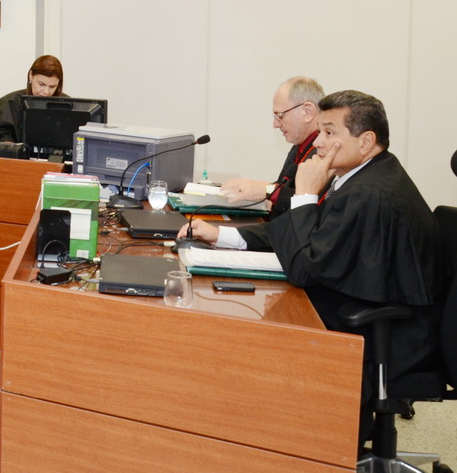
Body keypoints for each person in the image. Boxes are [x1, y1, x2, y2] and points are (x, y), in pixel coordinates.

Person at [180, 90, 446, 440]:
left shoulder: (370, 193)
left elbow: (305, 268)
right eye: (320, 131)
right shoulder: (362, 174)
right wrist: (223, 236)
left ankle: (290, 445)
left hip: (393, 334)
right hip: (368, 308)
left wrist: (305, 195)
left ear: (366, 141)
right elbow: (308, 236)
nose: (318, 142)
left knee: (255, 334)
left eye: (329, 132)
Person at [219, 76, 324, 218]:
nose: (275, 124)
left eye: (280, 115)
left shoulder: (323, 152)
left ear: (308, 111)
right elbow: (284, 188)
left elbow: (311, 204)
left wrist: (266, 190)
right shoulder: (299, 146)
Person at [0, 55, 67, 142]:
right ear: (31, 75)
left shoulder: (68, 107)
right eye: (41, 84)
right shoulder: (8, 104)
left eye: (52, 87)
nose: (46, 92)